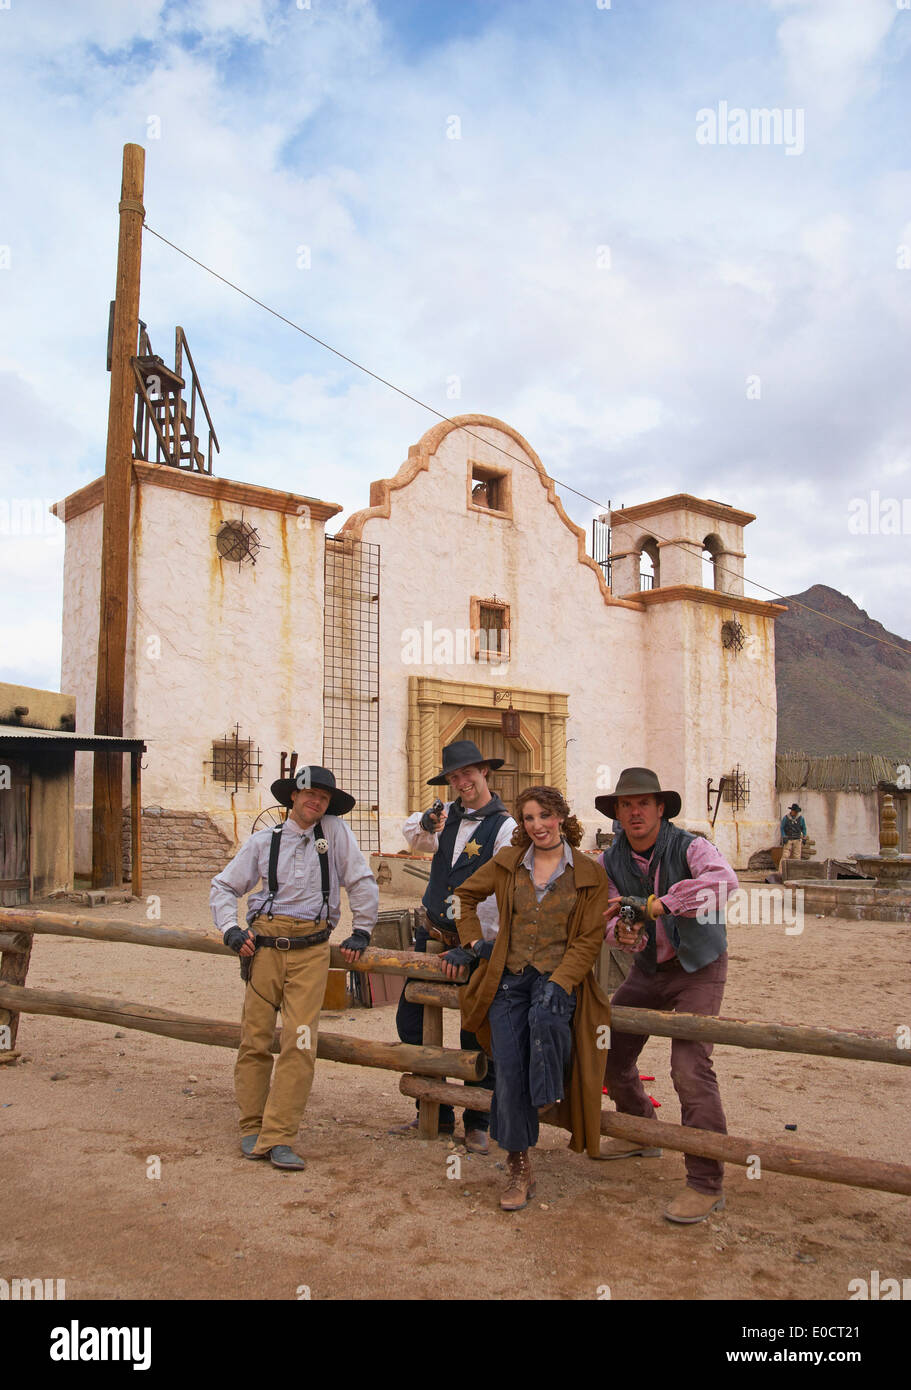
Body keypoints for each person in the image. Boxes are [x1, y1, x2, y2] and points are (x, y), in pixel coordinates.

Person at [449, 786, 612, 1211]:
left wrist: (562, 981)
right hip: (508, 978)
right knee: (507, 1066)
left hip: (558, 977)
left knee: (547, 1022)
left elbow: (590, 938)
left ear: (560, 817)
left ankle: (544, 1095)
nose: (537, 825)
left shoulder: (590, 874)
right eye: (528, 818)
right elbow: (464, 896)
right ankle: (519, 1166)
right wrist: (472, 941)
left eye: (544, 816)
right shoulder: (506, 864)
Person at [210, 764, 378, 1171]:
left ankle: (280, 1136)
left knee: (300, 1043)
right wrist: (231, 929)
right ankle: (252, 1126)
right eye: (309, 794)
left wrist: (362, 930)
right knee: (255, 1039)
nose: (315, 801)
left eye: (323, 797)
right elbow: (224, 886)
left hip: (311, 949)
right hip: (264, 947)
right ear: (293, 797)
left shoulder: (335, 833)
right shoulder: (263, 841)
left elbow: (361, 880)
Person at [597, 767, 739, 1224]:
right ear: (617, 813)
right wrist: (623, 931)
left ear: (661, 809)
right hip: (648, 968)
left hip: (698, 967)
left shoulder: (691, 845)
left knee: (690, 1069)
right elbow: (609, 916)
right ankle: (641, 1131)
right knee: (610, 1052)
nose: (634, 812)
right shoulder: (609, 860)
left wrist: (665, 903)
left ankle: (705, 1182)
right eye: (626, 805)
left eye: (643, 803)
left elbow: (725, 884)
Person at [390, 739, 516, 1152]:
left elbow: (501, 893)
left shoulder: (506, 828)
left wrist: (479, 943)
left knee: (476, 1031)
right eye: (454, 776)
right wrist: (427, 823)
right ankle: (437, 1111)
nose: (462, 782)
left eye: (468, 773)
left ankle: (477, 1118)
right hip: (431, 937)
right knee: (410, 1023)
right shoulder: (445, 817)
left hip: (474, 942)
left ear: (485, 773)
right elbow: (417, 840)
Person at [780, 803, 808, 870]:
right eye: (794, 811)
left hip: (797, 839)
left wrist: (804, 837)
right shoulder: (786, 818)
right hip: (788, 839)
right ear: (791, 811)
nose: (795, 813)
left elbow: (804, 828)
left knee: (797, 857)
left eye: (796, 812)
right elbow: (782, 827)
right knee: (785, 856)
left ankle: (796, 871)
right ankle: (781, 872)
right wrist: (784, 836)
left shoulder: (801, 818)